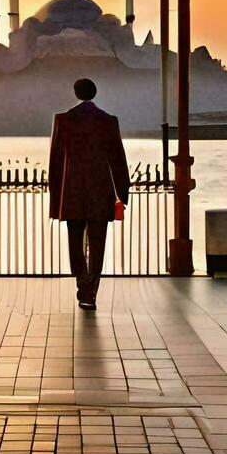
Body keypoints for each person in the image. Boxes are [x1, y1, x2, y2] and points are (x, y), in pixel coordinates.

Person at [48, 77, 131, 310]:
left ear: (76, 93)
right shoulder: (108, 121)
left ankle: (82, 285)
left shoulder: (63, 121)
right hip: (100, 191)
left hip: (71, 192)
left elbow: (55, 162)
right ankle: (91, 290)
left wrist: (56, 200)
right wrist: (122, 195)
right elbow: (118, 160)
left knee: (74, 243)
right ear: (94, 93)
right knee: (97, 243)